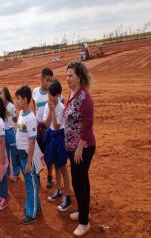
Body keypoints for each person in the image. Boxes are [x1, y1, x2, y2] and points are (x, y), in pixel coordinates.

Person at [64, 61, 96, 237]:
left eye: (71, 75)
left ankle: (84, 223)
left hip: (83, 148)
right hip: (74, 147)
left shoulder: (85, 97)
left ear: (80, 77)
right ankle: (85, 213)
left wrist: (79, 149)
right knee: (82, 180)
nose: (67, 78)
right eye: (67, 75)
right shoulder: (73, 93)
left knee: (78, 181)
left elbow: (88, 125)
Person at [43, 80, 72, 212]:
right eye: (49, 94)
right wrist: (49, 110)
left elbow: (55, 126)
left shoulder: (61, 107)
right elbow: (46, 123)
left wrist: (53, 110)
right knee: (56, 165)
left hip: (60, 137)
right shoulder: (47, 105)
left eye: (53, 95)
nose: (50, 97)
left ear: (59, 95)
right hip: (51, 137)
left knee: (63, 168)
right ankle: (59, 190)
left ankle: (67, 196)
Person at [15, 86, 41, 224]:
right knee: (31, 182)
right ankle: (36, 207)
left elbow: (32, 142)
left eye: (18, 99)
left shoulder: (30, 118)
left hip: (27, 155)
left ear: (25, 100)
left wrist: (29, 162)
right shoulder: (21, 114)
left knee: (31, 184)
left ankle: (32, 214)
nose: (16, 102)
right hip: (22, 154)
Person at [32, 67, 54, 188]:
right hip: (38, 128)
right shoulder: (35, 91)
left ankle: (50, 176)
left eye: (51, 80)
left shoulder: (52, 93)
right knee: (37, 154)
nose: (50, 83)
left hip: (48, 128)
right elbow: (34, 106)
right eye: (48, 80)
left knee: (48, 154)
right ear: (41, 79)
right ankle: (38, 176)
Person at [0, 86, 20, 181]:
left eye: (1, 93)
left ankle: (15, 173)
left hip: (10, 131)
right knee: (5, 153)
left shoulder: (11, 106)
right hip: (2, 133)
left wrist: (13, 128)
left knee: (14, 152)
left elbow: (15, 119)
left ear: (6, 95)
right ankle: (7, 173)